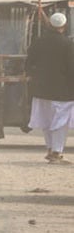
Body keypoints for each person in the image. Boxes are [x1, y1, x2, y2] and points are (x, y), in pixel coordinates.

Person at [25, 12, 74, 164]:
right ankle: (56, 152)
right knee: (60, 122)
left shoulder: (38, 42)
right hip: (62, 92)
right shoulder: (68, 44)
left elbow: (29, 63)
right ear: (64, 26)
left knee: (46, 121)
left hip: (40, 90)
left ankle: (50, 149)